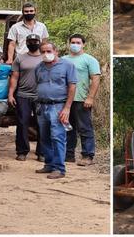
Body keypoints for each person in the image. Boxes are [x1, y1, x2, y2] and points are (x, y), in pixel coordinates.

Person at [34, 42, 77, 179]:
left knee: (58, 137)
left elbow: (72, 86)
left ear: (56, 51)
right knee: (44, 137)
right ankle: (49, 164)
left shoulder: (67, 65)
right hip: (42, 106)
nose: (46, 54)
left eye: (48, 51)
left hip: (58, 106)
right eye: (43, 51)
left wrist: (67, 108)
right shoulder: (39, 67)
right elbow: (38, 84)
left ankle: (59, 168)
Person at [62, 34, 101, 166]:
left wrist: (90, 97)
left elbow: (95, 79)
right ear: (69, 44)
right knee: (68, 128)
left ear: (83, 44)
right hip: (65, 100)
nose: (75, 44)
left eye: (78, 42)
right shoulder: (63, 60)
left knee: (84, 128)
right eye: (72, 42)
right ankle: (69, 155)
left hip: (81, 99)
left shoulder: (89, 60)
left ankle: (87, 155)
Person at [8, 34, 44, 162]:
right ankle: (22, 151)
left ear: (39, 42)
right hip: (23, 95)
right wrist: (11, 94)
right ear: (26, 43)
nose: (33, 43)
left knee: (42, 123)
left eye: (35, 41)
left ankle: (42, 153)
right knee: (22, 123)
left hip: (41, 96)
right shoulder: (20, 58)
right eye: (30, 41)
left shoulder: (45, 57)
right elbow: (14, 77)